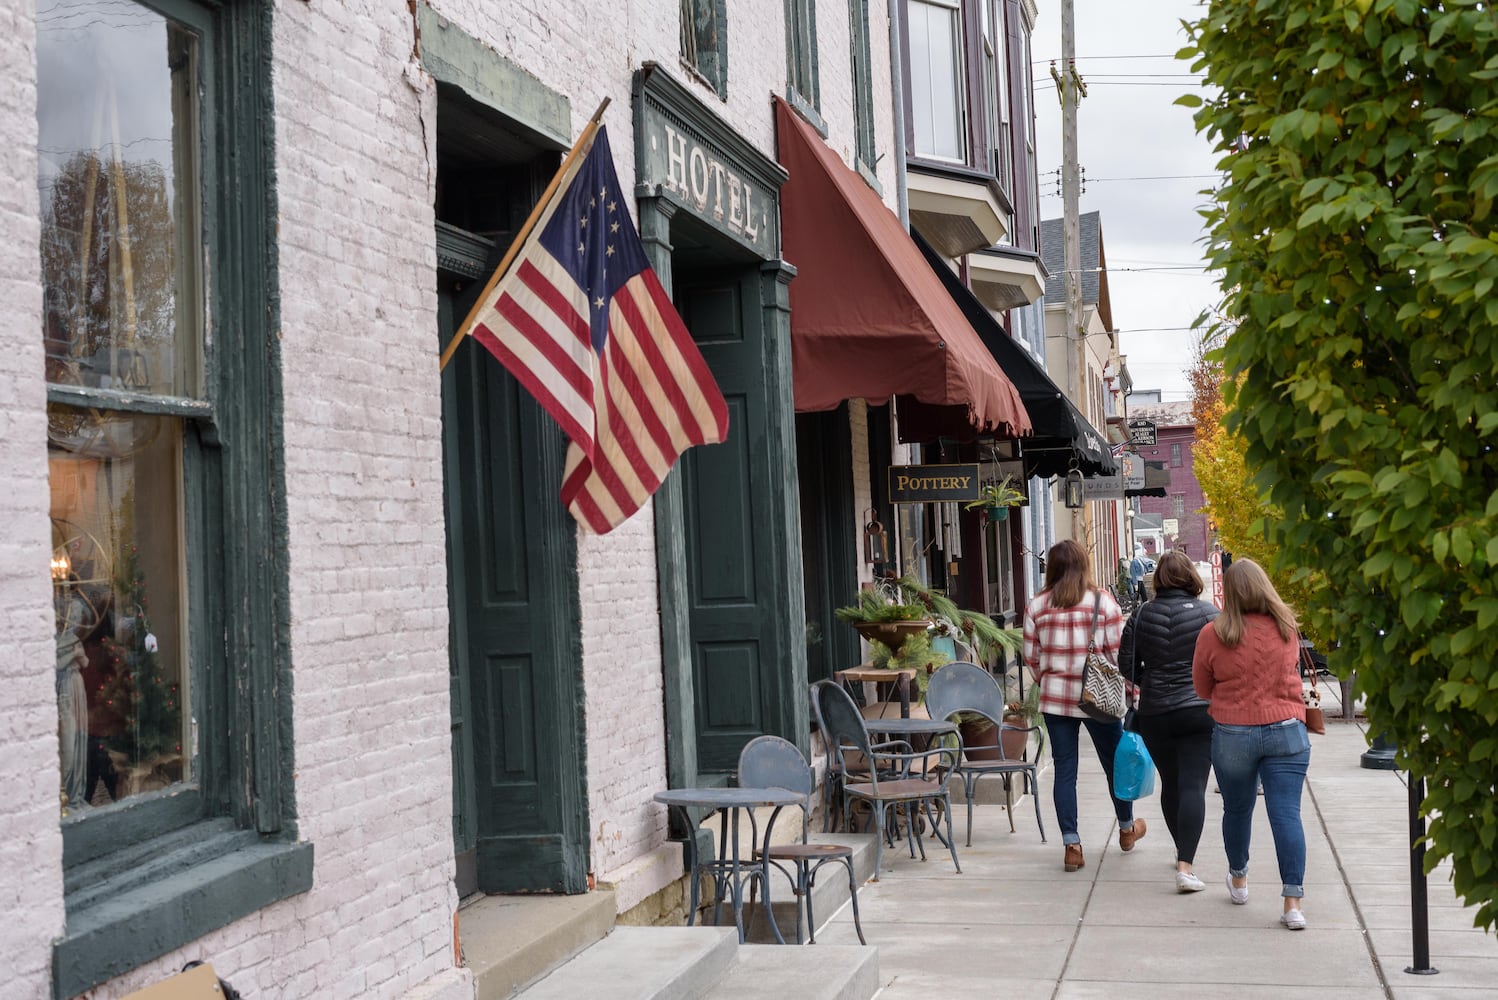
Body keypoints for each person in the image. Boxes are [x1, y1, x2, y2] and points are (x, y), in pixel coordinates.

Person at [1192, 558, 1310, 929]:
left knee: (1237, 809)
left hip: (1233, 732)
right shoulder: (1286, 627)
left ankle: (1239, 879)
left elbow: (1201, 688)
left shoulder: (1213, 633)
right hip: (1287, 729)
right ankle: (1292, 904)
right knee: (1286, 814)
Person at [1023, 539, 1144, 872]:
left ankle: (1072, 845)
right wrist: (1132, 693)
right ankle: (1126, 828)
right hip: (1099, 697)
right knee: (1115, 765)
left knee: (1065, 771)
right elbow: (1120, 655)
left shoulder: (1037, 605)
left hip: (1055, 699)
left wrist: (1048, 679)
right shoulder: (1102, 603)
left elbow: (1031, 658)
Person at [1119, 550, 1218, 893]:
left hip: (1156, 712)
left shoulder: (1142, 614)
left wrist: (1154, 683)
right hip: (1199, 711)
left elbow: (1126, 665)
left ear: (1158, 579)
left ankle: (1181, 851)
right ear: (1191, 577)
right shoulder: (1209, 614)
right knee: (1193, 785)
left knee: (1171, 784)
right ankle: (1185, 864)